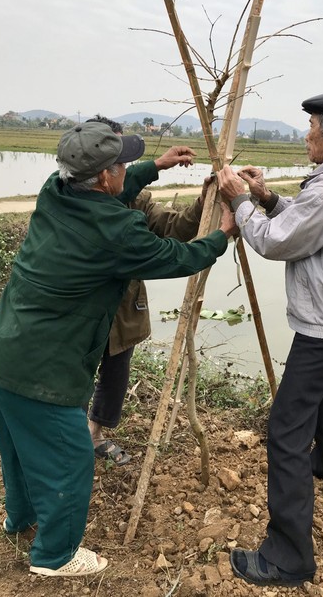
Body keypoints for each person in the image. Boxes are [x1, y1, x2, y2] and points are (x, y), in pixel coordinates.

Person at [0, 121, 237, 577]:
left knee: (19, 447)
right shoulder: (116, 232)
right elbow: (180, 257)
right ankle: (55, 556)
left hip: (3, 348)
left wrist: (152, 167)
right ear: (103, 178)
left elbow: (116, 190)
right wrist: (222, 234)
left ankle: (20, 519)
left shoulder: (54, 191)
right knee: (70, 459)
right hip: (44, 368)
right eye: (121, 163)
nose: (126, 168)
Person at [217, 87, 323, 588]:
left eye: (312, 124)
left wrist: (241, 203)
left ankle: (289, 557)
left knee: (286, 431)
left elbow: (277, 240)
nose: (306, 133)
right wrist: (268, 198)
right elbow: (309, 221)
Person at [84, 115, 212, 465]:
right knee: (76, 372)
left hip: (122, 307)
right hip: (84, 309)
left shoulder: (135, 197)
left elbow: (171, 227)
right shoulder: (74, 200)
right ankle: (71, 436)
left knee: (116, 371)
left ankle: (94, 433)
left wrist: (203, 202)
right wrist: (218, 241)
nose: (124, 166)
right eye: (119, 159)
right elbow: (171, 259)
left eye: (124, 159)